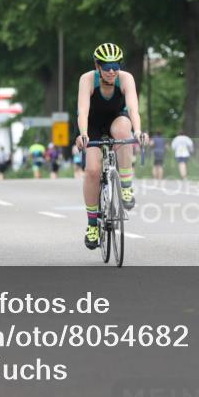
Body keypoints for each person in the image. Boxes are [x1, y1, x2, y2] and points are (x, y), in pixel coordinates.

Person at [74, 43, 147, 250]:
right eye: (107, 67)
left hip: (117, 119)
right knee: (92, 170)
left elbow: (133, 108)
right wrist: (84, 135)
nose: (112, 71)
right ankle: (92, 224)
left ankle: (125, 185)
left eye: (116, 66)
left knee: (125, 132)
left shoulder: (126, 78)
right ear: (98, 66)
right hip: (91, 124)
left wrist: (139, 131)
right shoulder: (87, 79)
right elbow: (83, 111)